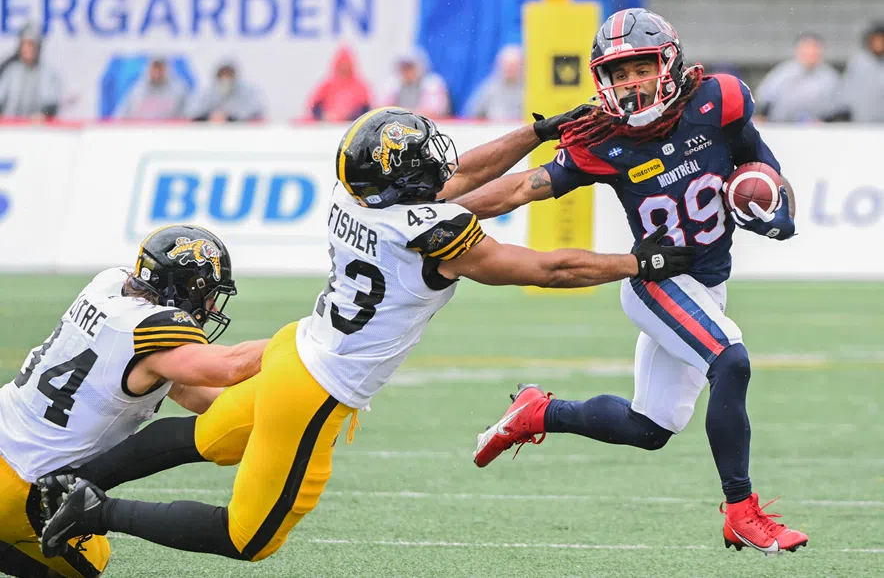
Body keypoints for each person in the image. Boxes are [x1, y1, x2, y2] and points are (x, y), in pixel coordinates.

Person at [39, 107, 694, 566]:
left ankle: (64, 476)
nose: (441, 166)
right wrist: (641, 261)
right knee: (248, 537)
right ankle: (93, 510)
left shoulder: (352, 195)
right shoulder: (432, 232)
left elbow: (460, 176)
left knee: (208, 436)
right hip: (320, 388)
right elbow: (549, 267)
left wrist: (539, 130)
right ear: (407, 182)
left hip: (299, 345)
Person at [457, 9, 807, 554]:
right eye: (618, 74)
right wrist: (444, 213)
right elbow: (523, 187)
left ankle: (539, 412)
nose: (630, 84)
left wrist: (777, 207)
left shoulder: (720, 101)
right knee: (731, 361)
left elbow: (761, 164)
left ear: (668, 63)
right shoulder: (603, 137)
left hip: (703, 286)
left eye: (639, 68)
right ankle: (741, 511)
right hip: (655, 281)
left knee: (650, 428)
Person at [0, 225, 267, 578]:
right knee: (89, 562)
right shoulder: (150, 330)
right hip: (19, 482)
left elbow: (191, 392)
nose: (212, 306)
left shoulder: (109, 285)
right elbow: (229, 366)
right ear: (188, 287)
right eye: (209, 294)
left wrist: (274, 409)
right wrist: (307, 343)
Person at [755, 33, 838, 123]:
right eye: (807, 49)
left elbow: (836, 109)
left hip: (816, 128)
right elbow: (766, 99)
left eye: (814, 49)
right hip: (781, 125)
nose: (811, 52)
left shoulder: (829, 77)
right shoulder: (783, 73)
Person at [0, 23, 61, 120]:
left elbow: (51, 105)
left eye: (32, 44)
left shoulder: (47, 72)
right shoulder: (11, 70)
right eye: (25, 44)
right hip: (10, 128)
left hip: (35, 129)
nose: (28, 49)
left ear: (38, 47)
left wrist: (43, 115)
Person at [832, 22, 884, 123]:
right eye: (876, 40)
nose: (879, 44)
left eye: (881, 40)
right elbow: (847, 88)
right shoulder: (858, 62)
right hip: (861, 120)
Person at [306, 46, 372, 122]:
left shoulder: (361, 86)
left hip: (352, 125)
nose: (344, 68)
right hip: (327, 126)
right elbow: (314, 107)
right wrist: (325, 115)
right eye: (341, 65)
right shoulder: (327, 85)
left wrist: (348, 116)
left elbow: (366, 110)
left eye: (346, 65)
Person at [381, 47, 450, 118]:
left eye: (410, 67)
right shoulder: (393, 83)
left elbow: (435, 112)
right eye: (404, 68)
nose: (407, 71)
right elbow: (381, 110)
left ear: (420, 66)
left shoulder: (431, 83)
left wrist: (400, 113)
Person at [116, 57, 189, 120]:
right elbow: (120, 116)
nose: (157, 72)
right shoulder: (136, 91)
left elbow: (189, 116)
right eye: (155, 67)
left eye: (160, 67)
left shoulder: (178, 90)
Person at [188, 61, 264, 122]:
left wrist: (229, 116)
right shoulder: (208, 91)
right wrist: (210, 116)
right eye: (223, 75)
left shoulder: (247, 91)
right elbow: (193, 111)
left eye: (229, 75)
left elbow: (253, 110)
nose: (226, 79)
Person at [465, 45, 525, 121]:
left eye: (514, 65)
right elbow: (472, 113)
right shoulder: (489, 88)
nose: (510, 69)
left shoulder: (528, 90)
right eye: (507, 65)